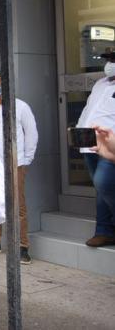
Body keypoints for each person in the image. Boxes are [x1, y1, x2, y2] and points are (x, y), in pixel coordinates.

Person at [0, 70, 38, 264]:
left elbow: (32, 133)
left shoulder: (20, 107)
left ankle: (22, 247)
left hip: (14, 163)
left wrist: (26, 159)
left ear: (6, 86)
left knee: (17, 205)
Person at [78, 52, 115, 248]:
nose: (110, 64)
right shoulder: (100, 84)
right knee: (100, 189)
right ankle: (104, 231)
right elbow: (88, 109)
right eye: (109, 60)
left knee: (104, 183)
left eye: (114, 60)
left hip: (110, 145)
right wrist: (78, 131)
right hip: (89, 142)